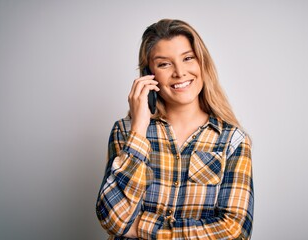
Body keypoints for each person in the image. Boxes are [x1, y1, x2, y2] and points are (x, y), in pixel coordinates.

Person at [96, 19, 254, 240]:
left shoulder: (233, 140)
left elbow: (234, 231)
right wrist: (139, 128)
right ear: (147, 74)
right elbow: (112, 218)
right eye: (164, 64)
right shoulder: (125, 131)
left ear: (202, 63)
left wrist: (145, 229)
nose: (180, 72)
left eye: (188, 58)